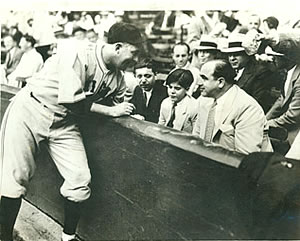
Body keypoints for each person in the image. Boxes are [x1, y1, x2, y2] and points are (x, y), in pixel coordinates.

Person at [0, 22, 143, 241]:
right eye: (133, 53)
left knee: (79, 179)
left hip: (64, 123)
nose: (135, 59)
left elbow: (121, 105)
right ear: (118, 47)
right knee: (16, 177)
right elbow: (71, 101)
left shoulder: (117, 78)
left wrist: (132, 116)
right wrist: (112, 111)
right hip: (31, 109)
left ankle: (67, 237)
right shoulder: (78, 53)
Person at [193, 59, 272, 154]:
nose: (199, 83)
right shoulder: (204, 100)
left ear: (221, 82)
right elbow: (196, 140)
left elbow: (245, 157)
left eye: (204, 78)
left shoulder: (247, 107)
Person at [222, 36, 283, 113]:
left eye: (237, 54)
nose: (232, 58)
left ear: (248, 54)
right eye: (229, 55)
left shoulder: (260, 72)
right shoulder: (228, 71)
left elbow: (258, 103)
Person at [158, 69, 198, 133]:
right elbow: (160, 126)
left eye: (177, 88)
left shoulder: (194, 107)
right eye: (170, 87)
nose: (172, 91)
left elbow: (196, 134)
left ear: (187, 89)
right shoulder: (165, 102)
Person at [130, 58, 167, 123]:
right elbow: (133, 108)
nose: (143, 80)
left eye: (147, 76)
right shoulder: (138, 90)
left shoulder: (164, 92)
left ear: (155, 75)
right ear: (135, 76)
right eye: (139, 76)